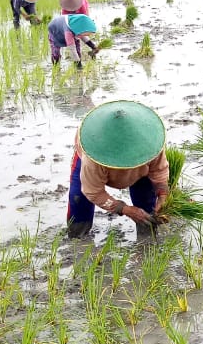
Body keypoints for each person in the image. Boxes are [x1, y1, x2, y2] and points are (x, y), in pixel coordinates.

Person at [66, 100, 170, 239]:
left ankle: (147, 243)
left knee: (147, 209)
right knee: (78, 201)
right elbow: (93, 191)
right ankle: (78, 241)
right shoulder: (92, 157)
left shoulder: (150, 145)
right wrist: (124, 209)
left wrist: (163, 192)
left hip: (141, 174)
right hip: (94, 160)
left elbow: (159, 171)